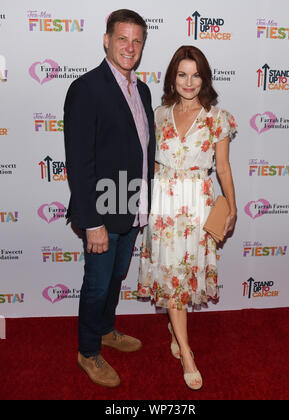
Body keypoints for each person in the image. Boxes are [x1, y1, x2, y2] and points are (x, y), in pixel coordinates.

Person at [64, 9, 156, 388]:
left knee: (116, 277)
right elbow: (79, 162)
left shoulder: (143, 88)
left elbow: (141, 151)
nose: (129, 47)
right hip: (101, 212)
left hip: (131, 207)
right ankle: (88, 351)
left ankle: (104, 329)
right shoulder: (86, 89)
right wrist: (92, 222)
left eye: (136, 41)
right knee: (98, 284)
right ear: (106, 40)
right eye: (122, 39)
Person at [138, 46, 237, 390]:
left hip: (196, 204)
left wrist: (232, 207)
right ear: (172, 78)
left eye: (195, 74)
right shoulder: (159, 114)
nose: (189, 82)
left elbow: (222, 167)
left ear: (204, 78)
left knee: (183, 276)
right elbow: (150, 164)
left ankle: (175, 330)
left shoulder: (217, 117)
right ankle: (186, 350)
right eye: (182, 74)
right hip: (164, 206)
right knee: (171, 278)